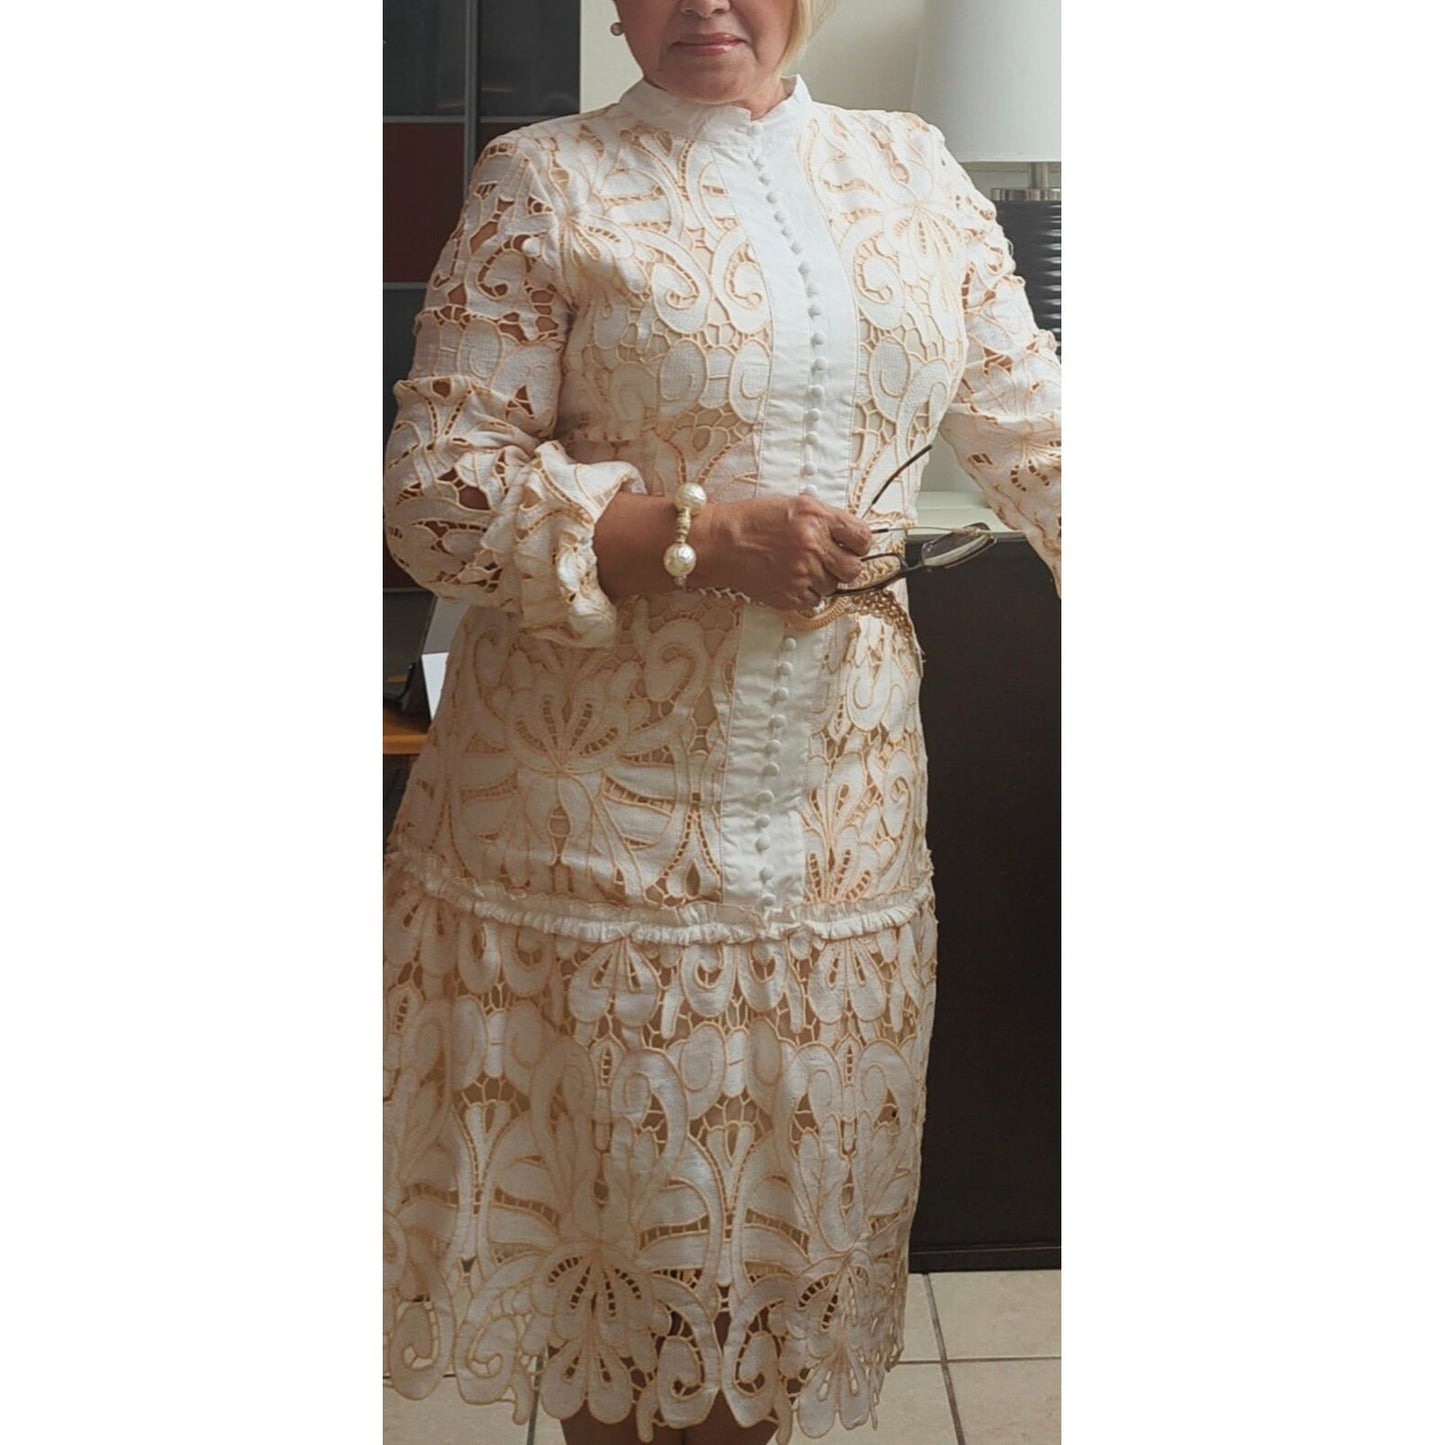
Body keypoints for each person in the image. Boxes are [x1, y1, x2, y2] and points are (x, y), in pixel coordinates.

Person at [382, 1, 1060, 1441]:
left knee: (765, 1295)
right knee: (627, 1312)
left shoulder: (914, 171)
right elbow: (437, 492)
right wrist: (695, 532)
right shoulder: (544, 177)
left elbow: (1038, 434)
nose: (705, 3)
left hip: (840, 831)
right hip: (590, 841)